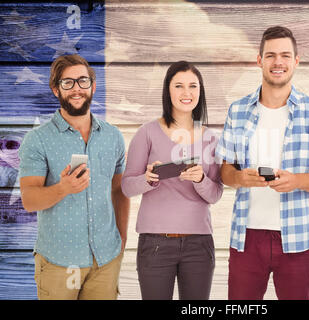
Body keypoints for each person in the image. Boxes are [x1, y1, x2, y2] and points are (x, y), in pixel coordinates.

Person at [215, 26, 309, 300]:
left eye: (284, 55)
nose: (277, 62)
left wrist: (298, 181)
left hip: (297, 237)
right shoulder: (238, 110)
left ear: (296, 60)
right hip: (247, 236)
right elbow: (225, 170)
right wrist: (239, 178)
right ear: (259, 60)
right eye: (270, 55)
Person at [18, 54, 130, 300]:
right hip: (59, 261)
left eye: (82, 81)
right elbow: (29, 199)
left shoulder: (113, 136)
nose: (77, 89)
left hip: (106, 259)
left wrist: (121, 239)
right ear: (55, 89)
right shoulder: (37, 140)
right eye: (67, 83)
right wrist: (63, 188)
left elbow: (119, 191)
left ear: (93, 85)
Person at [121, 61, 223, 300]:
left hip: (199, 244)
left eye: (193, 86)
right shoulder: (146, 133)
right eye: (179, 86)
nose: (186, 93)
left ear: (201, 91)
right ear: (168, 91)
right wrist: (149, 179)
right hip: (155, 245)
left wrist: (200, 179)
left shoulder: (211, 138)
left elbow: (216, 193)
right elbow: (126, 186)